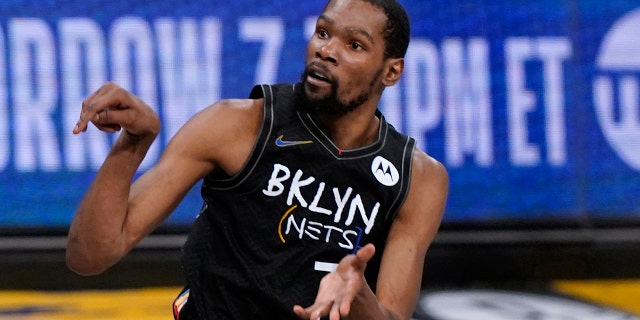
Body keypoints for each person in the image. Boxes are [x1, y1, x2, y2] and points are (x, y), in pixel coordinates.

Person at [66, 0, 448, 319]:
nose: (326, 50)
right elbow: (90, 255)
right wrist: (132, 145)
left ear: (391, 71)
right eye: (323, 32)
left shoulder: (417, 178)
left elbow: (391, 315)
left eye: (355, 45)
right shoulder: (235, 125)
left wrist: (359, 297)